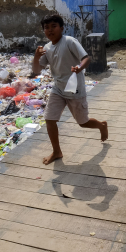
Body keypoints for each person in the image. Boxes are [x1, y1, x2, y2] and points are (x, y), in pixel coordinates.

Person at [32, 14, 108, 165]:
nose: (50, 30)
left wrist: (79, 68)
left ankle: (101, 125)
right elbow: (36, 71)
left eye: (54, 26)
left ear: (61, 28)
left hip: (75, 89)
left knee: (83, 123)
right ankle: (57, 151)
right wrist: (35, 57)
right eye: (46, 27)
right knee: (49, 119)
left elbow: (86, 58)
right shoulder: (46, 48)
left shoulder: (69, 41)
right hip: (58, 89)